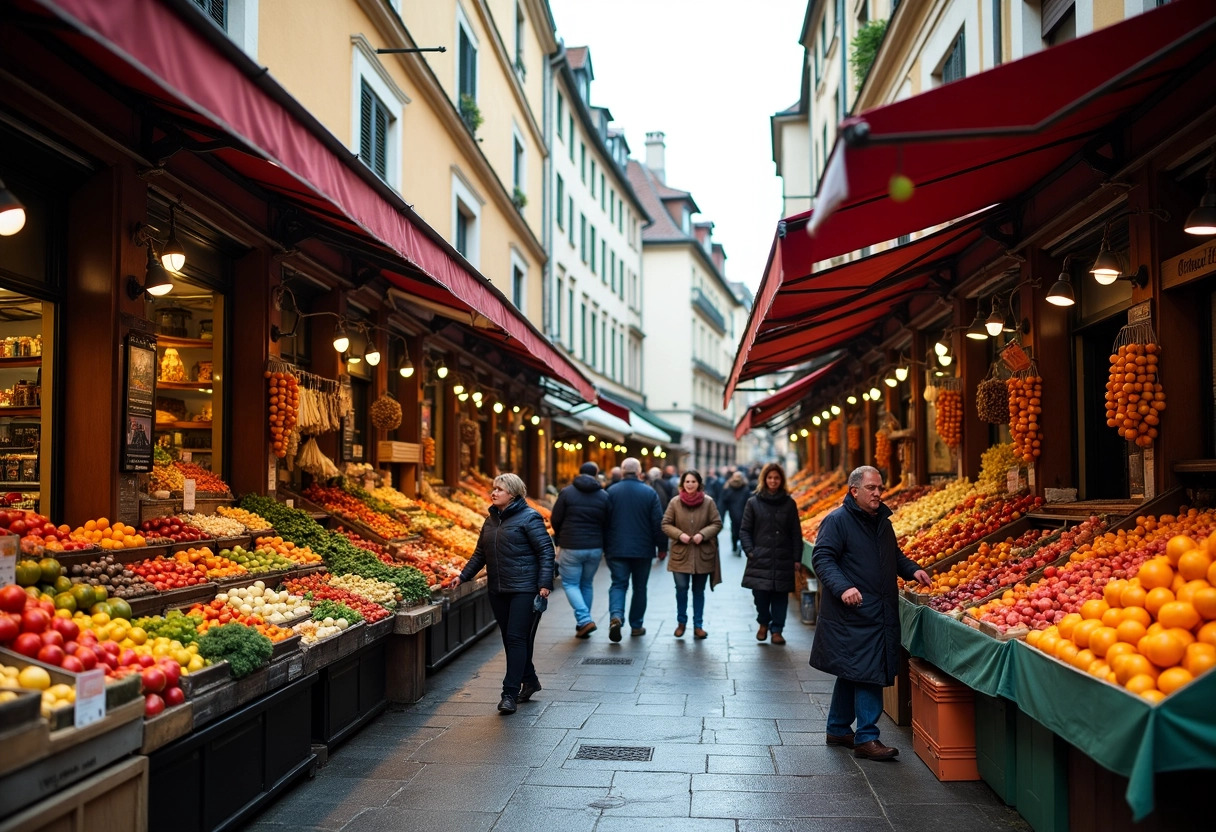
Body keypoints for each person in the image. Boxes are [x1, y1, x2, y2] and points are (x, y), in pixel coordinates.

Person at [811, 465, 931, 759]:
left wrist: (912, 570)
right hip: (854, 612)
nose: (878, 493)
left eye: (880, 488)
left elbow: (894, 555)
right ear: (854, 491)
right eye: (872, 488)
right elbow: (822, 558)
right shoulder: (837, 521)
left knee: (853, 670)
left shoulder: (881, 522)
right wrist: (843, 588)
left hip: (878, 609)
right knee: (869, 671)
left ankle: (839, 728)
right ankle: (866, 737)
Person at [452, 473, 554, 715]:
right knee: (511, 639)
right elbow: (480, 554)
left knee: (517, 638)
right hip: (498, 588)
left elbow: (546, 552)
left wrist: (544, 583)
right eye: (493, 488)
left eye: (500, 489)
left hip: (524, 588)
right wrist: (463, 576)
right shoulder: (491, 521)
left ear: (514, 494)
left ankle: (509, 694)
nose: (494, 492)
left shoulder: (530, 518)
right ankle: (530, 681)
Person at [740, 462, 802, 646]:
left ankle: (777, 631)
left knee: (780, 597)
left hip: (783, 558)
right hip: (759, 558)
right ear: (764, 480)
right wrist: (750, 551)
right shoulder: (753, 502)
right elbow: (744, 530)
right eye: (770, 478)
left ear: (781, 480)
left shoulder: (789, 504)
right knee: (760, 596)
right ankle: (763, 622)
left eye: (776, 478)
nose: (773, 481)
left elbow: (795, 533)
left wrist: (797, 558)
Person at [604, 457, 666, 642]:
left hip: (616, 548)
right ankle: (636, 625)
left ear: (622, 472)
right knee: (640, 587)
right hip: (643, 549)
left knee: (618, 584)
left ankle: (616, 616)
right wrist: (662, 547)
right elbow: (658, 522)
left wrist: (605, 544)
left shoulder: (610, 492)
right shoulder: (649, 492)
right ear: (639, 472)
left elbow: (603, 520)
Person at [550, 462, 610, 639]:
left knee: (570, 583)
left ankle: (584, 620)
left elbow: (556, 518)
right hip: (594, 547)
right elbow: (608, 522)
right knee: (586, 584)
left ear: (579, 472)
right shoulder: (604, 495)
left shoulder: (567, 492)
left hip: (571, 545)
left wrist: (560, 537)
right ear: (597, 474)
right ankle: (583, 623)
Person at [662, 470, 723, 639]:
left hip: (702, 555)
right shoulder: (675, 502)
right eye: (687, 481)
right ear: (682, 484)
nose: (690, 484)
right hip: (680, 554)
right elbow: (666, 523)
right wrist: (679, 534)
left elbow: (717, 523)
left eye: (693, 482)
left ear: (699, 484)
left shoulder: (708, 502)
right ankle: (681, 623)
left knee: (698, 590)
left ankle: (698, 625)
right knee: (681, 588)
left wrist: (702, 534)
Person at [718, 470, 750, 556]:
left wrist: (722, 515)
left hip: (737, 513)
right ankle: (737, 545)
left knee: (735, 529)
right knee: (738, 529)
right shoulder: (743, 488)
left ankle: (736, 545)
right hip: (740, 513)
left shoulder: (729, 487)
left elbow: (723, 502)